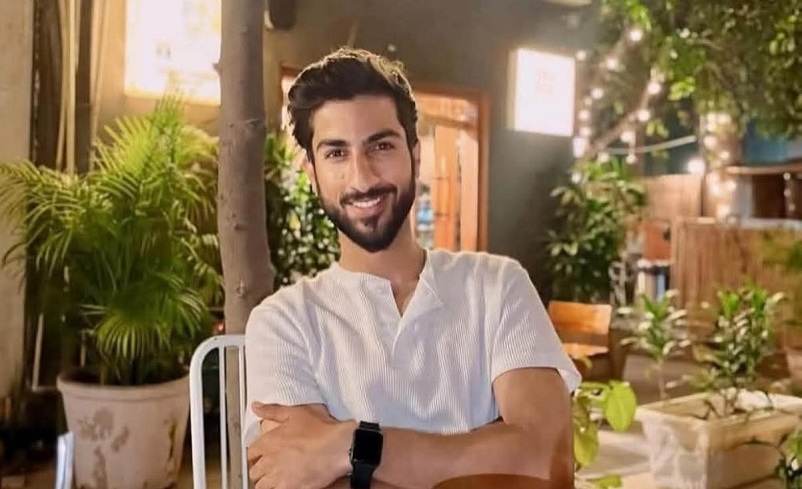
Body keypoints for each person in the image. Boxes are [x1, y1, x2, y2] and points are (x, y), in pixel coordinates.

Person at [244, 47, 581, 489]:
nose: (362, 178)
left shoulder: (497, 286)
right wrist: (486, 457)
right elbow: (295, 477)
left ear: (415, 155)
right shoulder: (283, 321)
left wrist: (350, 445)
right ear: (312, 172)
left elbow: (546, 462)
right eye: (336, 153)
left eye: (381, 146)